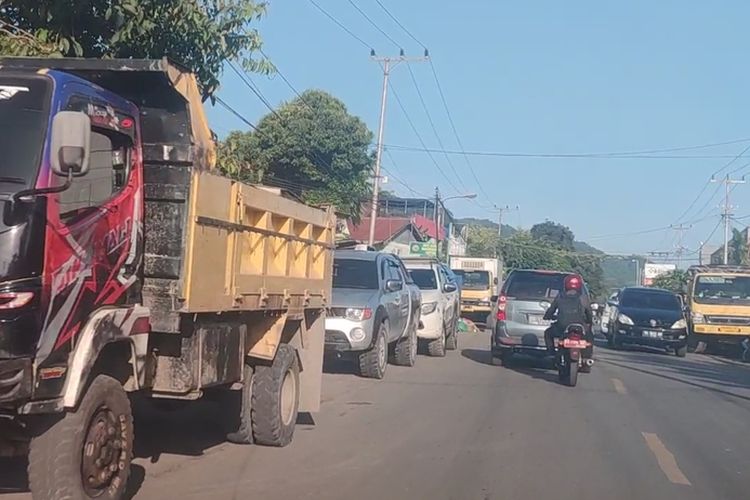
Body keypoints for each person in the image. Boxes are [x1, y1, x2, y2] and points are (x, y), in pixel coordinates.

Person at [543, 274, 594, 359]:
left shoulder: (560, 296)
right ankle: (587, 357)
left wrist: (547, 316)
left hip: (562, 326)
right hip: (580, 326)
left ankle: (551, 353)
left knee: (548, 333)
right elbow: (589, 313)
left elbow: (551, 310)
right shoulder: (583, 298)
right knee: (590, 336)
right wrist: (589, 321)